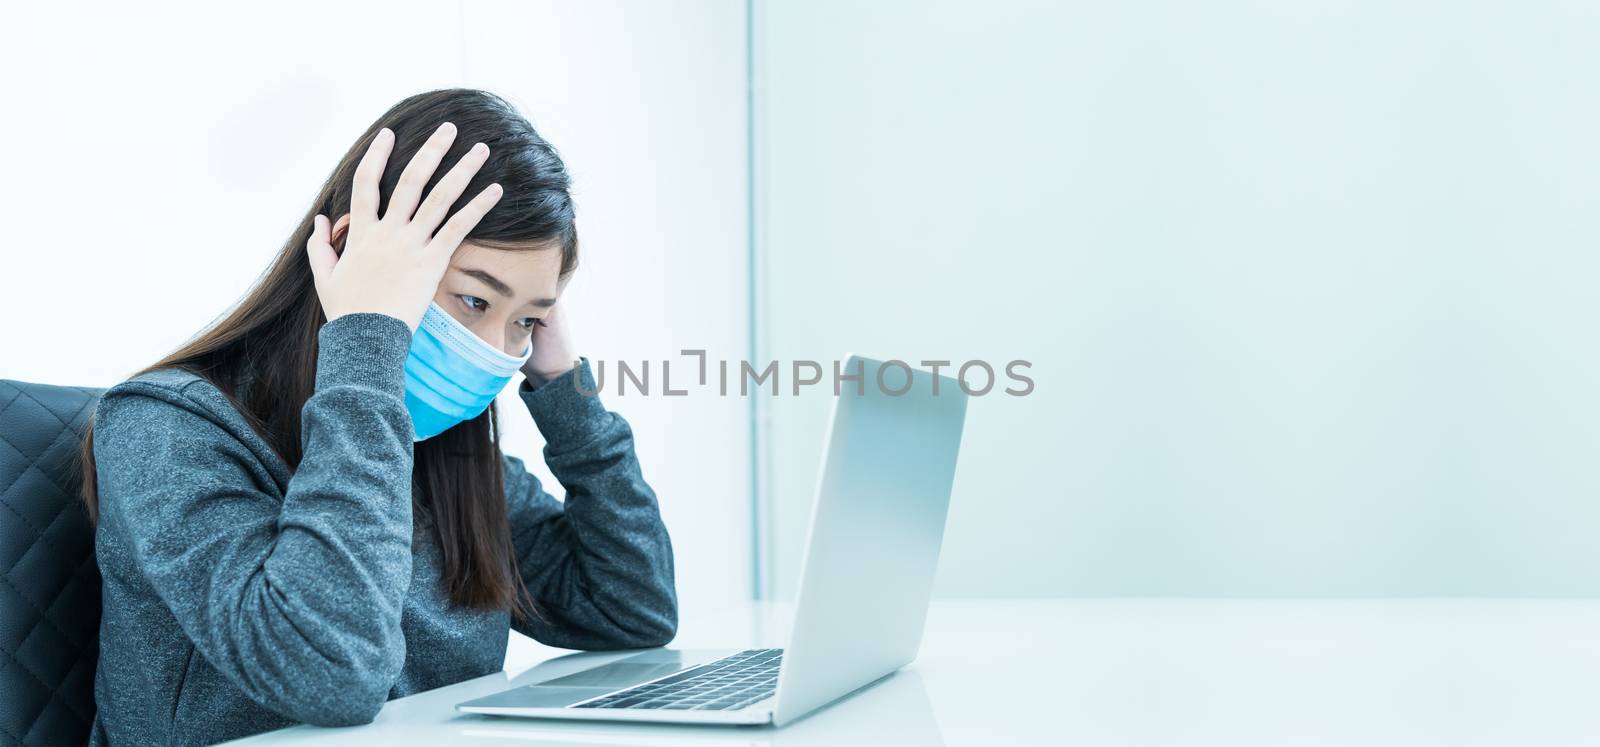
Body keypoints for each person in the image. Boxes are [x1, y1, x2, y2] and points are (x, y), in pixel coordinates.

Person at [78, 88, 677, 746]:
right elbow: (331, 673)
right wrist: (366, 342)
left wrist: (563, 386)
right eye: (475, 300)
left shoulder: (440, 450)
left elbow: (631, 604)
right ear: (349, 254)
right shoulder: (167, 428)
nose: (496, 350)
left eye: (527, 320)